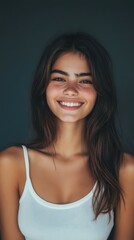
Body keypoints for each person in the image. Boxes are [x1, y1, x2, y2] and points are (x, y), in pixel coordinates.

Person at [0, 32, 134, 240]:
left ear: (100, 91)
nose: (71, 90)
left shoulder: (124, 169)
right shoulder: (11, 164)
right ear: (44, 86)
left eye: (85, 81)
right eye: (59, 78)